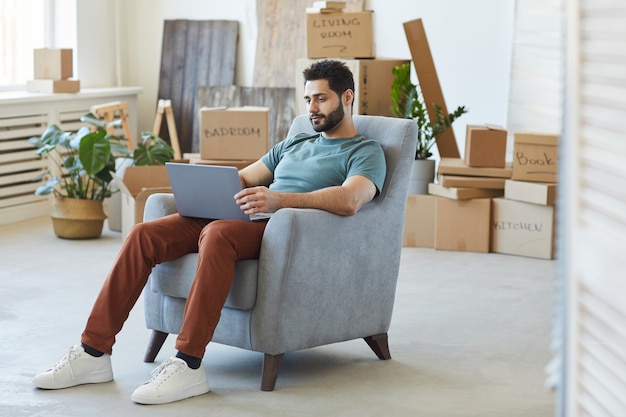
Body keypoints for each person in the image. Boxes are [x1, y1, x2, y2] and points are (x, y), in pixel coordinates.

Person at [33, 59, 387, 405]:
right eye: (308, 99)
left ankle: (188, 364)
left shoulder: (365, 151)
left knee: (217, 233)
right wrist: (205, 189)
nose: (312, 108)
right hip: (245, 217)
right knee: (145, 234)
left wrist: (277, 200)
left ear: (347, 97)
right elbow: (244, 179)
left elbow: (351, 199)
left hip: (279, 231)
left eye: (321, 98)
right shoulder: (294, 143)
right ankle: (93, 352)